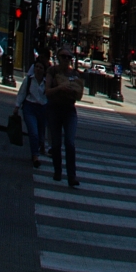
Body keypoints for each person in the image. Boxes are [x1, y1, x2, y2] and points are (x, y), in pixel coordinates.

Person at [45, 49, 84, 187]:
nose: (66, 59)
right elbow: (47, 91)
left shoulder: (74, 74)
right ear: (58, 57)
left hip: (69, 110)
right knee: (56, 143)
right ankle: (57, 170)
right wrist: (60, 88)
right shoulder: (52, 71)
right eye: (63, 56)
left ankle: (71, 176)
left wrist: (73, 91)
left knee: (70, 143)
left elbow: (79, 93)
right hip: (54, 109)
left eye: (69, 57)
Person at [16, 52, 50, 168]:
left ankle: (39, 147)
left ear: (44, 70)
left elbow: (49, 97)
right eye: (36, 67)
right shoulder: (29, 80)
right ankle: (35, 156)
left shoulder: (47, 83)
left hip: (42, 109)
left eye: (41, 68)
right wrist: (17, 106)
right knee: (33, 132)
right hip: (29, 107)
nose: (38, 69)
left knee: (40, 135)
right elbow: (22, 93)